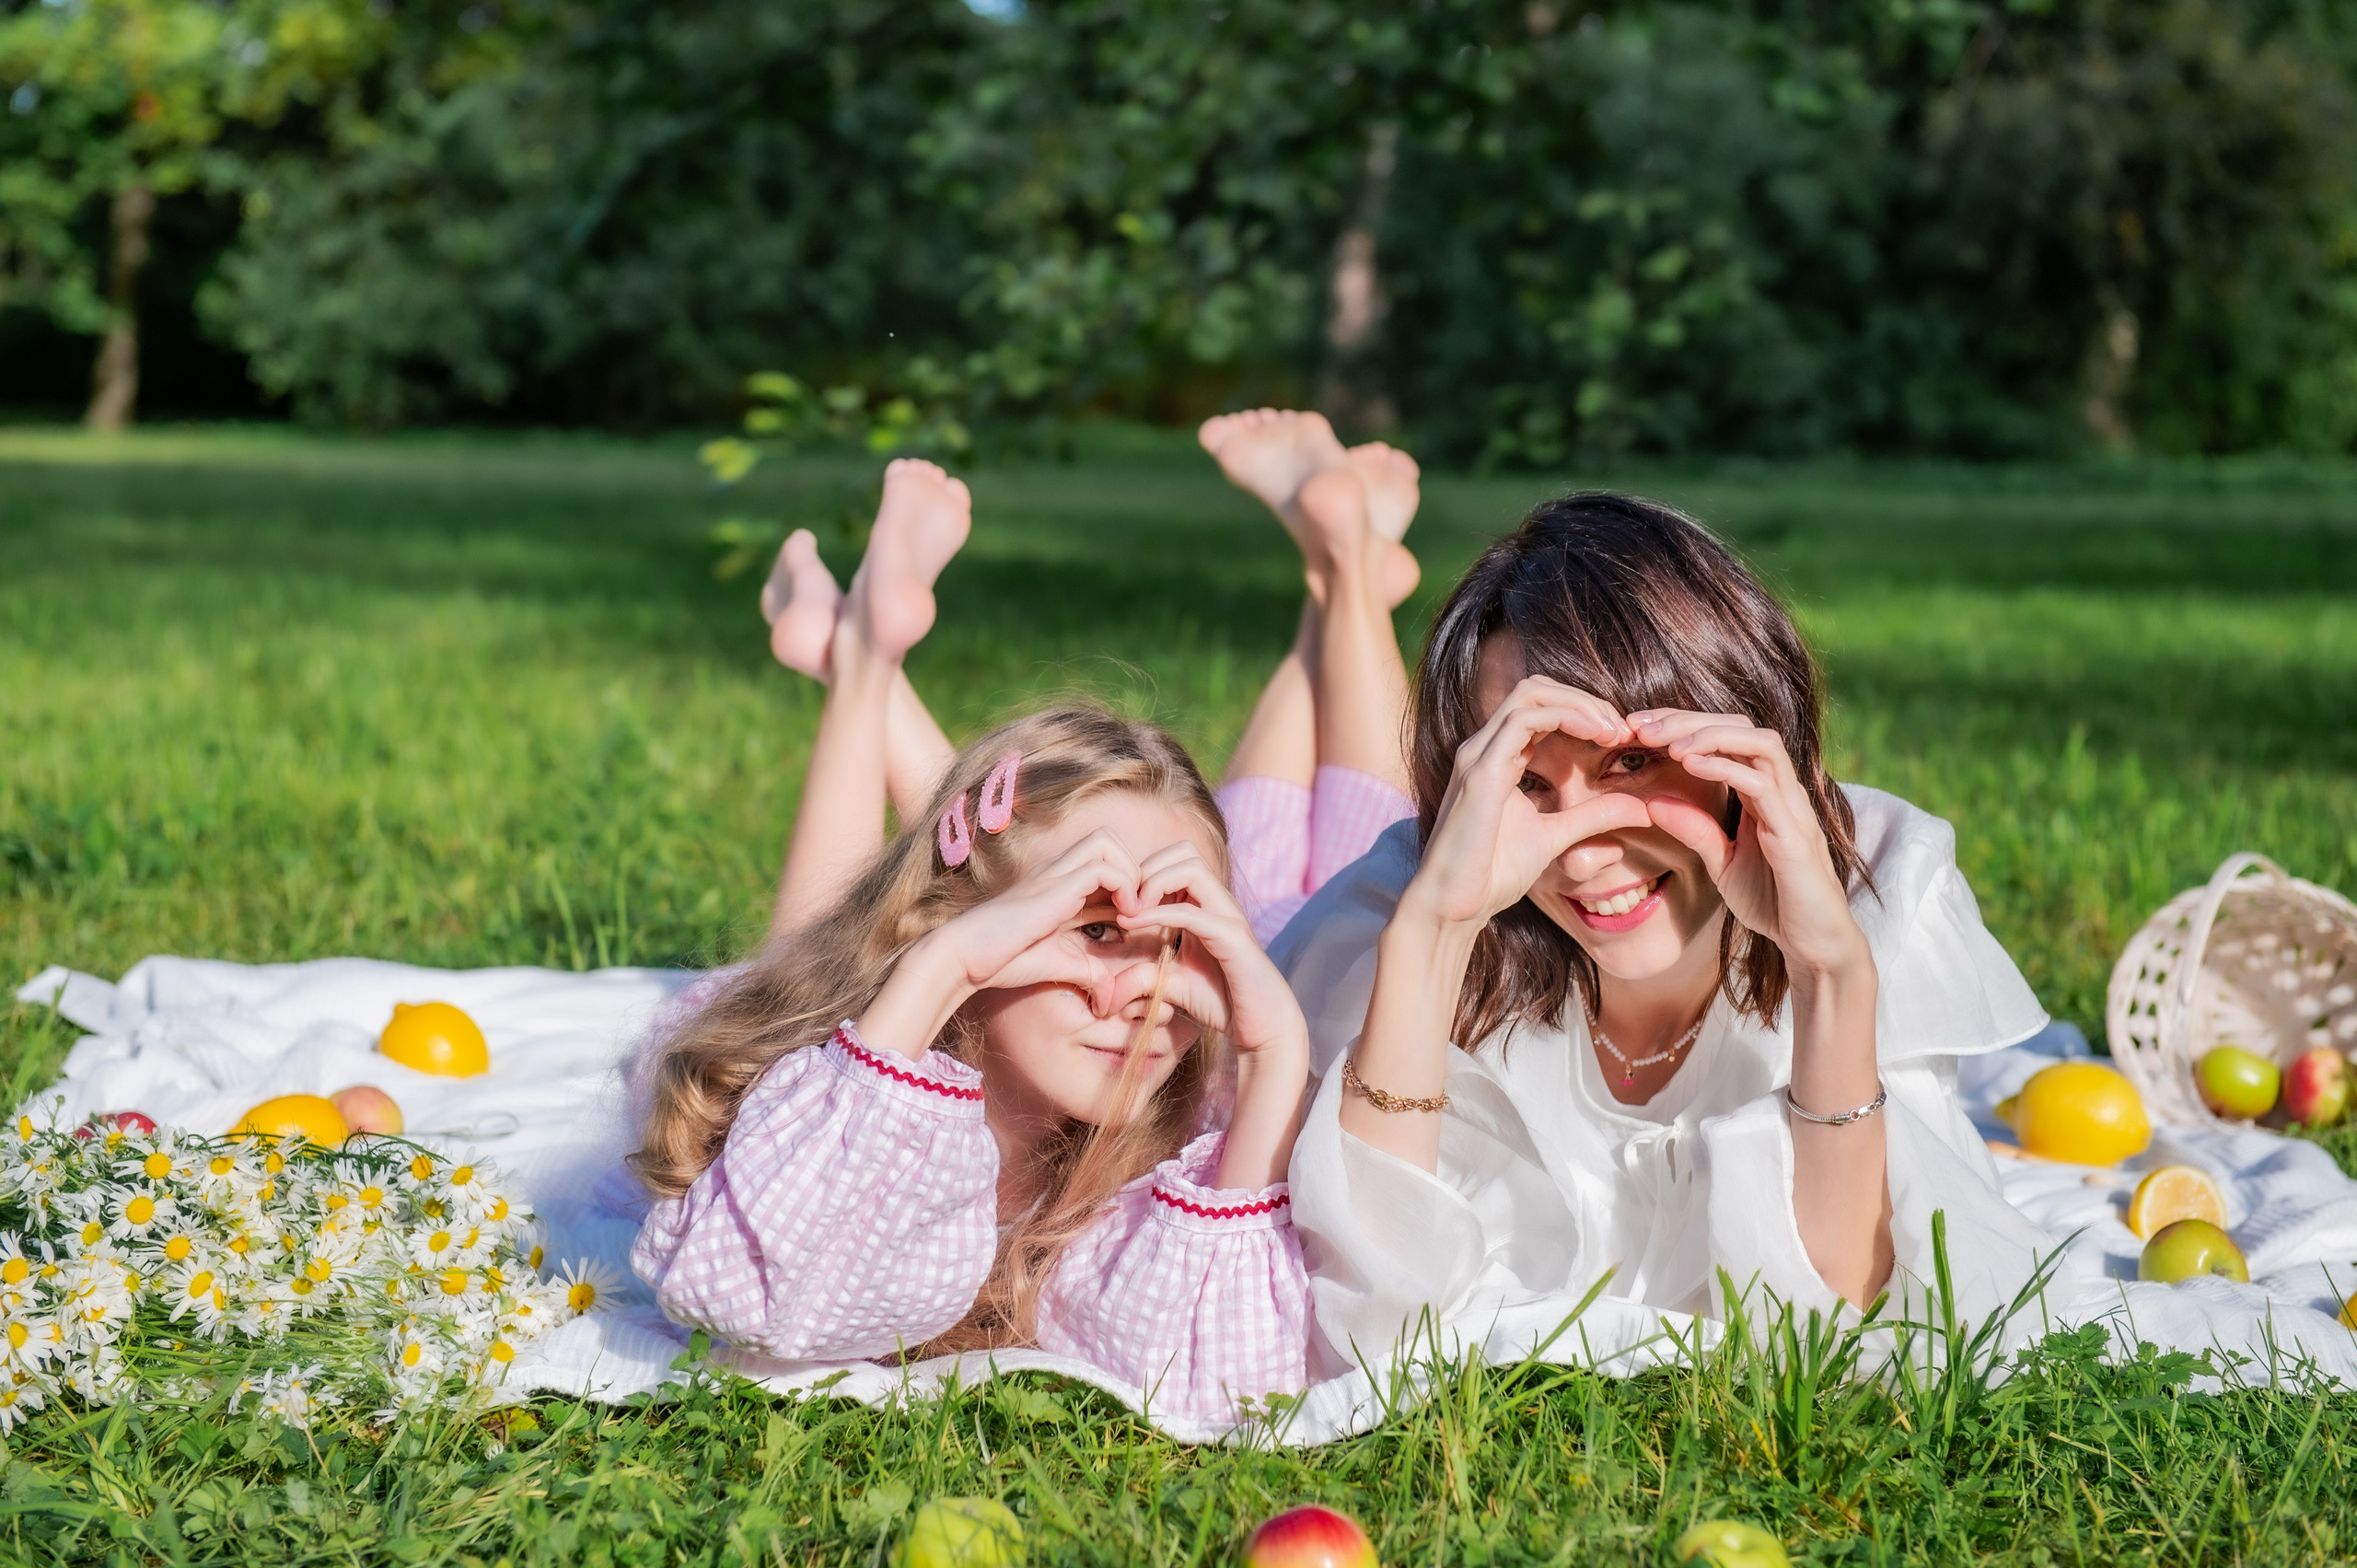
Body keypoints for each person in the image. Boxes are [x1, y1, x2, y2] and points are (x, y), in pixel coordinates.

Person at [1272, 492, 2070, 1376]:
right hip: (1295, 899)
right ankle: (1344, 573)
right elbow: (1362, 1323)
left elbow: (1846, 1321)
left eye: (1632, 764)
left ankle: (1346, 568)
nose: (1580, 858)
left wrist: (1827, 968)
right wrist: (1437, 932)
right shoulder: (1410, 902)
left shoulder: (1885, 887)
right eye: (1528, 782)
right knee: (1274, 841)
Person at [627, 459, 1328, 1424]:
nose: (1138, 989)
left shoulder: (1165, 1137)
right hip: (826, 1020)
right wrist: (940, 965)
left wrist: (1275, 1055)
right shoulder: (798, 1095)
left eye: (1176, 939)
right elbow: (758, 1311)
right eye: (1093, 929)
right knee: (805, 949)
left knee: (946, 874)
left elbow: (1222, 1384)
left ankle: (863, 653)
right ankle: (863, 667)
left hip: (942, 942)